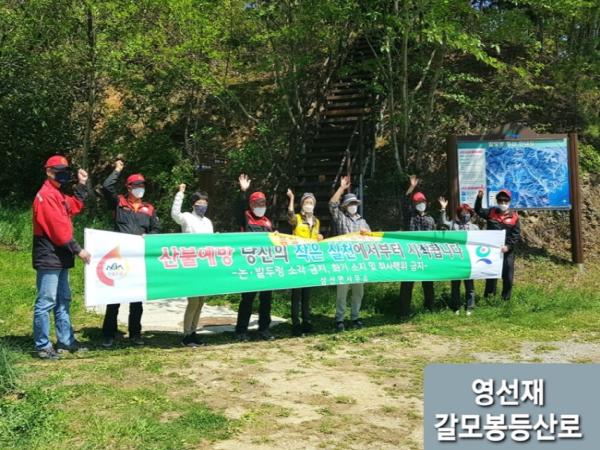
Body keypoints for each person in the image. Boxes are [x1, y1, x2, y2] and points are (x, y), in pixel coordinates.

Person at [32, 155, 91, 360]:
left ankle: (66, 341)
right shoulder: (46, 195)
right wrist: (78, 250)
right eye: (59, 170)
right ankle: (43, 345)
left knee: (63, 299)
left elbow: (75, 206)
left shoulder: (57, 194)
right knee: (46, 300)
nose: (64, 174)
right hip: (49, 255)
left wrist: (82, 184)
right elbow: (58, 229)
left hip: (60, 255)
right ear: (49, 172)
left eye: (66, 170)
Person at [101, 159, 160, 347]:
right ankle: (109, 334)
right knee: (114, 299)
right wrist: (117, 170)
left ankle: (135, 334)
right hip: (119, 258)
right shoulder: (118, 202)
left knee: (137, 300)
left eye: (142, 185)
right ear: (128, 187)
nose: (140, 189)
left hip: (139, 260)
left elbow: (156, 229)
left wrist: (149, 237)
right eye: (136, 186)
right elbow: (106, 187)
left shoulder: (149, 208)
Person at [171, 183, 214, 347]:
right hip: (190, 264)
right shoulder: (187, 217)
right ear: (193, 204)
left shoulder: (208, 222)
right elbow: (175, 214)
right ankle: (186, 334)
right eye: (199, 203)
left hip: (204, 265)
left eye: (205, 203)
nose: (202, 206)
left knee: (201, 301)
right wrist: (180, 194)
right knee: (193, 301)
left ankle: (194, 332)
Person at [234, 173, 274, 342]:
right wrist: (243, 192)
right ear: (251, 204)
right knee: (248, 299)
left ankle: (264, 328)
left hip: (266, 265)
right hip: (250, 266)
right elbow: (238, 208)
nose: (260, 206)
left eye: (263, 203)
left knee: (266, 299)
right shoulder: (245, 217)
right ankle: (241, 330)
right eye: (257, 203)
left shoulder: (267, 222)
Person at [329, 175, 371, 332]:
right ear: (345, 206)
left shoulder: (363, 221)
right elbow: (332, 204)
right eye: (350, 204)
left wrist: (367, 234)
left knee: (358, 291)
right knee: (342, 292)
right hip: (344, 260)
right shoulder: (341, 218)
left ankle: (355, 316)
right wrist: (341, 188)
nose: (353, 206)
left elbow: (371, 239)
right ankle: (339, 319)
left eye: (354, 203)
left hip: (359, 261)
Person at [286, 189, 323, 337]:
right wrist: (291, 198)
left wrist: (320, 238)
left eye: (311, 203)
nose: (309, 205)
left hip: (310, 261)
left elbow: (316, 238)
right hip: (297, 260)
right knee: (296, 294)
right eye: (306, 202)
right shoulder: (297, 218)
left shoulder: (316, 221)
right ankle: (296, 323)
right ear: (302, 204)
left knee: (307, 294)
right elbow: (290, 216)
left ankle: (307, 321)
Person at [399, 175, 436, 317]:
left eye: (422, 202)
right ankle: (404, 311)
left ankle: (429, 308)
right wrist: (412, 187)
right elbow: (404, 201)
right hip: (411, 255)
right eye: (418, 202)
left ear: (426, 203)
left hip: (427, 255)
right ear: (414, 204)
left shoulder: (430, 219)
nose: (421, 204)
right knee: (407, 283)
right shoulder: (409, 216)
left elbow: (435, 236)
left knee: (428, 283)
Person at [474, 189, 520, 300]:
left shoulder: (514, 217)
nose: (503, 203)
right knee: (491, 274)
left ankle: (506, 299)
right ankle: (489, 298)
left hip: (507, 251)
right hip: (492, 251)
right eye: (500, 201)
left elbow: (516, 235)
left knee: (508, 276)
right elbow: (478, 210)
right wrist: (479, 198)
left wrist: (508, 246)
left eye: (505, 201)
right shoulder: (491, 212)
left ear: (509, 201)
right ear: (497, 201)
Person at [439, 197, 479, 315]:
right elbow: (443, 222)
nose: (464, 214)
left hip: (469, 260)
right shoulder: (453, 224)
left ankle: (470, 307)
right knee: (455, 285)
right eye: (462, 212)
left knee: (469, 285)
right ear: (458, 213)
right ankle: (456, 307)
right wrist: (443, 209)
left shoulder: (475, 228)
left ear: (470, 214)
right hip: (456, 259)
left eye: (467, 212)